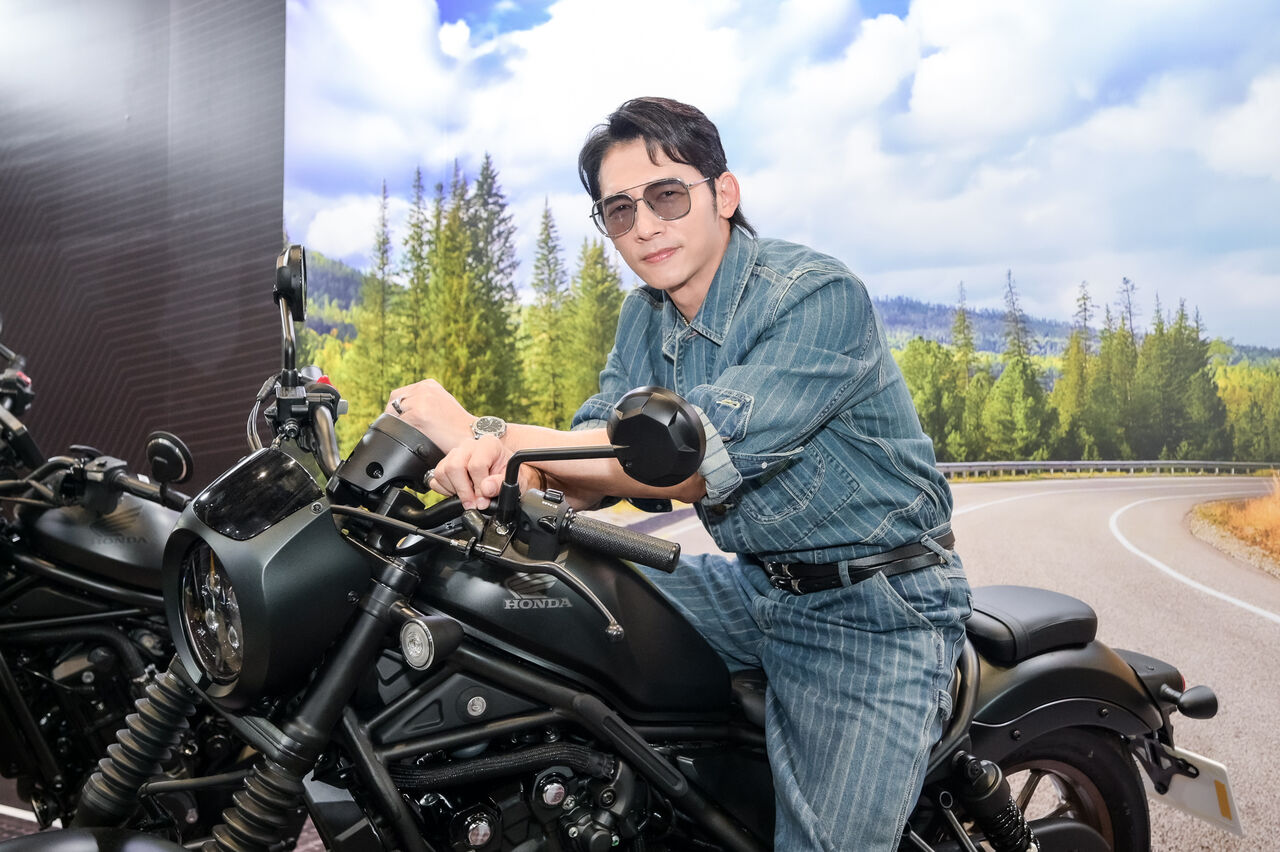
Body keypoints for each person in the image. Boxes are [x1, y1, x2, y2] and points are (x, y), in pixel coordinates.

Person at [386, 96, 971, 851]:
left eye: (666, 195)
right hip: (754, 585)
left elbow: (688, 461)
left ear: (723, 194)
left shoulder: (816, 296)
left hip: (874, 604)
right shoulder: (645, 317)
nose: (645, 225)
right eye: (620, 210)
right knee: (532, 619)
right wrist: (492, 470)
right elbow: (591, 460)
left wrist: (483, 430)